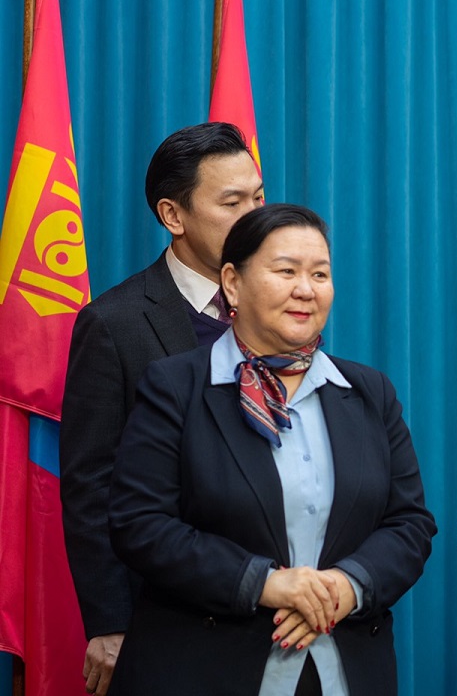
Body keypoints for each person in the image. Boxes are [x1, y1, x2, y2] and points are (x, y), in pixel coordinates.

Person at [106, 204, 436, 695]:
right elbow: (140, 524)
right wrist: (264, 584)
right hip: (205, 670)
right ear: (233, 283)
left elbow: (409, 524)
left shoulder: (369, 392)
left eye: (319, 274)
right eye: (286, 271)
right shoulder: (177, 387)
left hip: (341, 670)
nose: (306, 289)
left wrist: (346, 587)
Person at [60, 121, 263, 695]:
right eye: (232, 203)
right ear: (174, 216)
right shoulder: (115, 324)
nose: (254, 218)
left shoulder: (281, 307)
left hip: (276, 613)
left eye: (258, 198)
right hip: (170, 617)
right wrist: (110, 621)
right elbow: (92, 484)